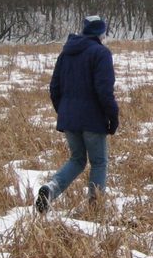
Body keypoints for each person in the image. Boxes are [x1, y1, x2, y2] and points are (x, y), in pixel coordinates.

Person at [35, 15, 119, 213]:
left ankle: (50, 188)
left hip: (69, 118)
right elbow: (104, 91)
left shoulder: (66, 53)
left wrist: (64, 112)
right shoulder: (101, 53)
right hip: (93, 119)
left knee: (77, 159)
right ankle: (95, 207)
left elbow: (54, 88)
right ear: (101, 33)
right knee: (98, 162)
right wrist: (112, 117)